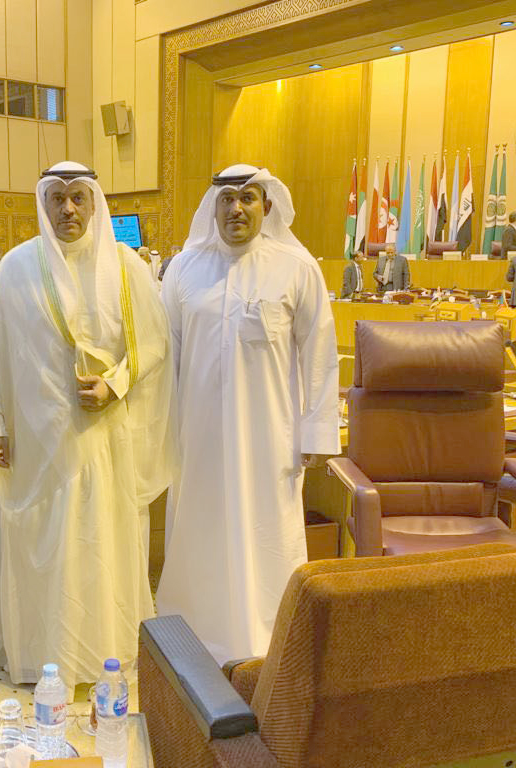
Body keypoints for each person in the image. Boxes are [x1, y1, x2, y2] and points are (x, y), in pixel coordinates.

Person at [0, 161, 174, 685]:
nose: (68, 209)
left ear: (94, 203)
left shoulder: (126, 266)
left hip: (103, 438)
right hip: (36, 441)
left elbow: (155, 344)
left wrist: (114, 382)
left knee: (100, 544)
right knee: (43, 544)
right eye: (57, 199)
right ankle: (39, 654)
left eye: (78, 198)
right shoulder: (16, 268)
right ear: (43, 203)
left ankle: (101, 655)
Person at [157, 164, 340, 664]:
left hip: (269, 438)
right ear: (212, 207)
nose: (236, 208)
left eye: (248, 198)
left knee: (266, 537)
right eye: (227, 199)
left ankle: (270, 643)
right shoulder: (183, 270)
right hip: (196, 439)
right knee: (199, 532)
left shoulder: (296, 267)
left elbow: (320, 353)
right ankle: (192, 639)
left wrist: (317, 431)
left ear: (267, 205)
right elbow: (163, 356)